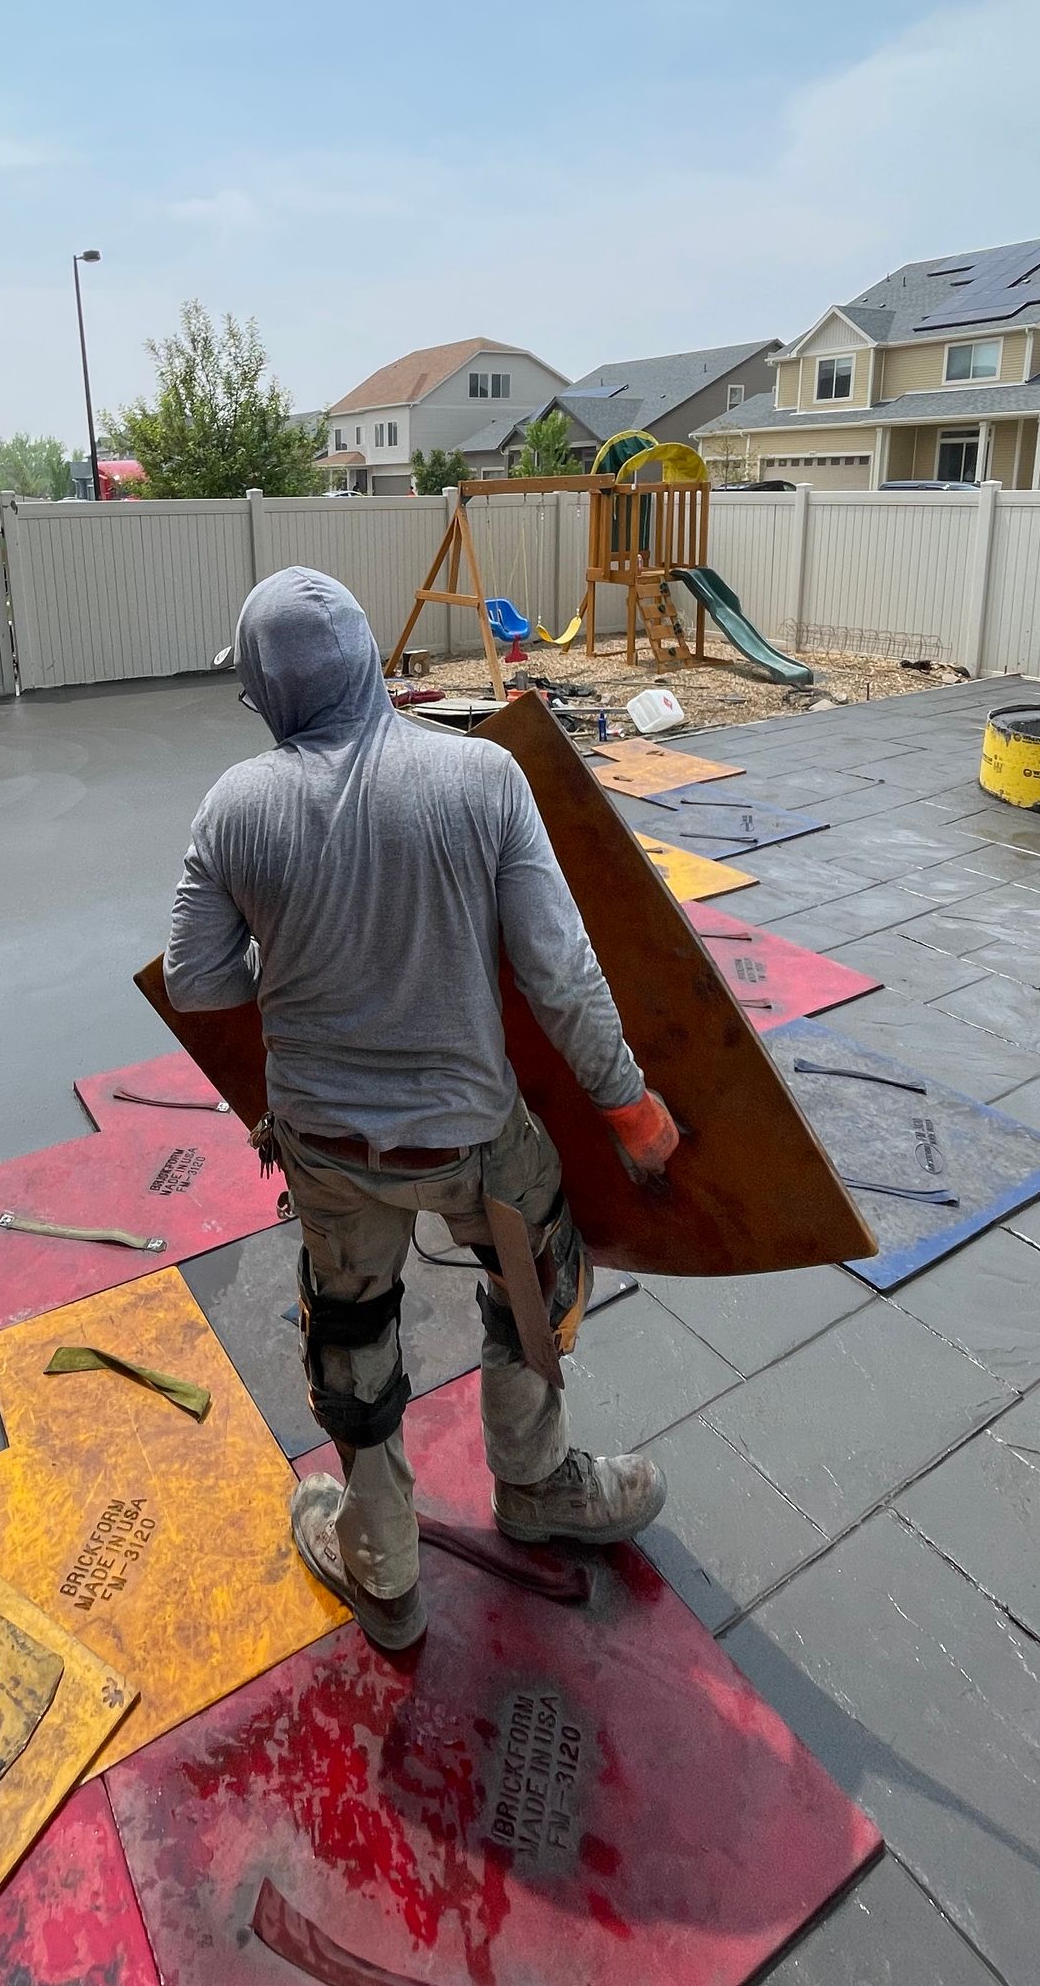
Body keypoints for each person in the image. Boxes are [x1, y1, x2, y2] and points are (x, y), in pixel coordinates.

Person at [165, 568, 680, 1650]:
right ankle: (536, 1482)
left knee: (349, 1331)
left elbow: (200, 982)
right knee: (538, 1278)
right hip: (473, 1142)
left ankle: (386, 1574)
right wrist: (629, 1109)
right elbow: (562, 972)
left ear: (268, 694)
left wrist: (299, 937)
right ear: (365, 660)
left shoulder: (234, 807)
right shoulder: (481, 777)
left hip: (326, 1149)